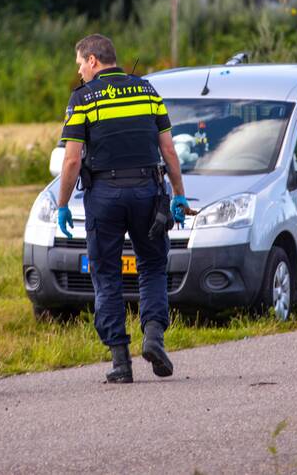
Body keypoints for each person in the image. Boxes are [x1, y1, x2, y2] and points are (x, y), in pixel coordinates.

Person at [57, 34, 190, 383]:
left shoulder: (83, 99)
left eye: (80, 65)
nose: (80, 72)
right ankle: (154, 338)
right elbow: (169, 151)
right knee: (152, 266)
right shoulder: (148, 92)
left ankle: (121, 362)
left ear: (93, 61)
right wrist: (178, 194)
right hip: (148, 190)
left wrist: (61, 204)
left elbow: (71, 161)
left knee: (107, 275)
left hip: (105, 195)